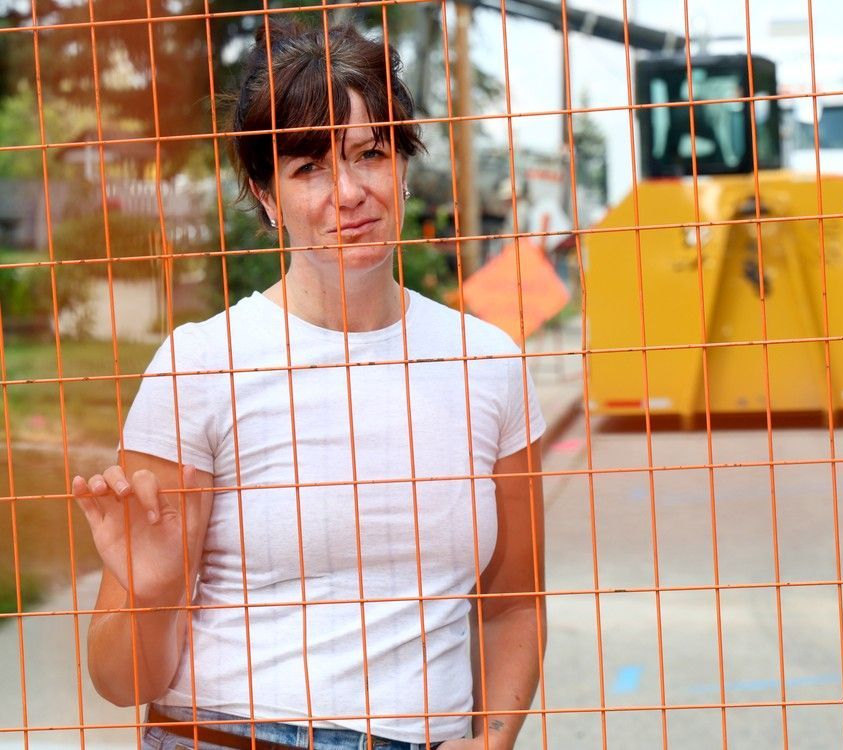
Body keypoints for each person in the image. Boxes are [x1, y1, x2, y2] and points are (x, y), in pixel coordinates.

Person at [72, 20, 546, 750]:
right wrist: (154, 592)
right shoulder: (200, 365)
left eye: (370, 154)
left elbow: (513, 605)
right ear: (265, 195)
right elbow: (121, 683)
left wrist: (495, 738)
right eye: (308, 168)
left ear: (404, 166)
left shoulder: (488, 364)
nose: (348, 192)